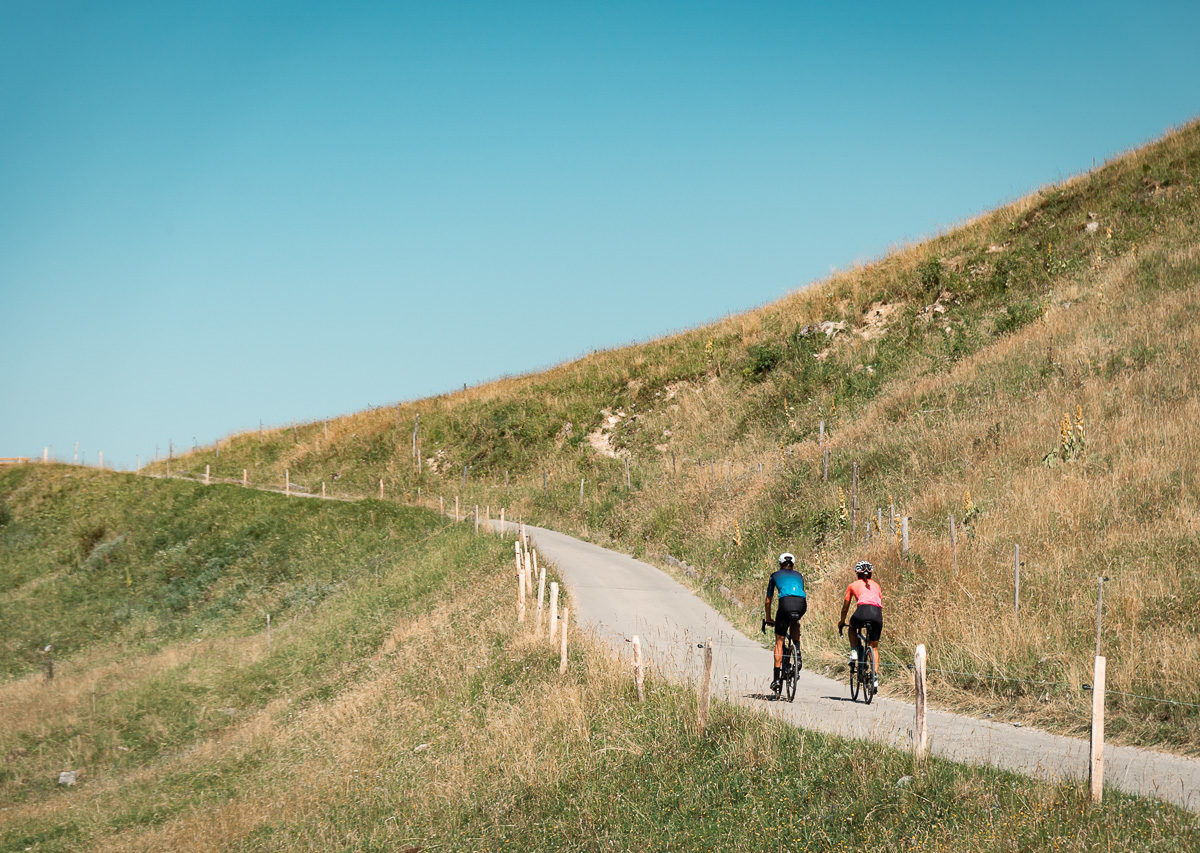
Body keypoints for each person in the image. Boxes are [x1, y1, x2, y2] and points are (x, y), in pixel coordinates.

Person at [764, 552, 807, 692]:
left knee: (779, 641)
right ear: (793, 565)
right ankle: (798, 652)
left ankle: (776, 679)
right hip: (801, 604)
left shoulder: (775, 575)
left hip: (785, 604)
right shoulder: (799, 575)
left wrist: (769, 618)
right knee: (795, 621)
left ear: (780, 565)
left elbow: (768, 600)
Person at [838, 560, 883, 689]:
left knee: (852, 628)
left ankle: (853, 652)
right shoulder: (877, 585)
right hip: (877, 614)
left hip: (862, 611)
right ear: (871, 573)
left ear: (857, 573)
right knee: (874, 647)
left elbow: (845, 607)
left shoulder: (853, 585)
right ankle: (874, 678)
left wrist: (842, 621)